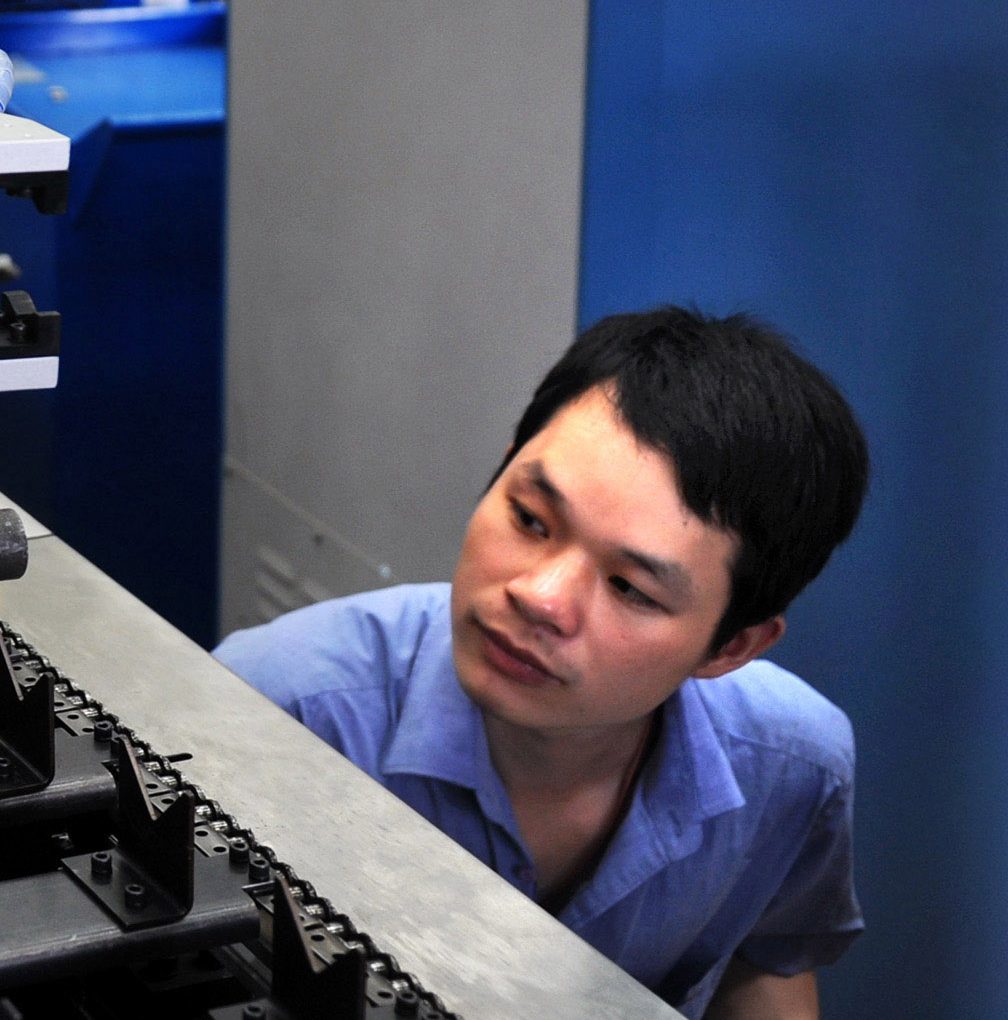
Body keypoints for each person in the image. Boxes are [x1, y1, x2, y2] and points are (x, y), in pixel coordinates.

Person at [218, 309, 868, 1018]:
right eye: (530, 519)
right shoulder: (272, 709)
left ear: (730, 648)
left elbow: (765, 962)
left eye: (630, 588)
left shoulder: (793, 768)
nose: (540, 597)